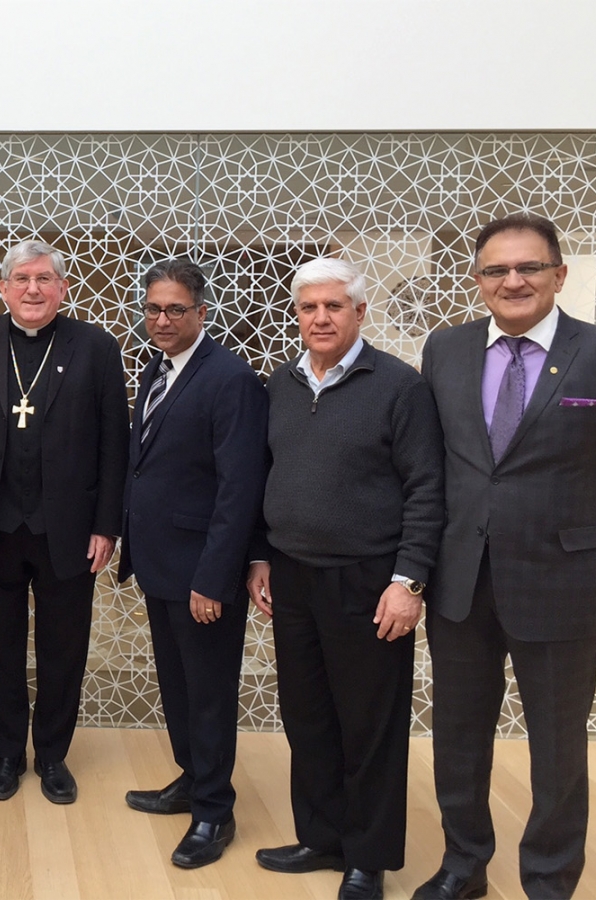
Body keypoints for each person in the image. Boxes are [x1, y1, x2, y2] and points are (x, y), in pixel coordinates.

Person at [247, 258, 443, 900]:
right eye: (309, 307)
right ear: (296, 315)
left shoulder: (398, 386)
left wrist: (409, 581)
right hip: (294, 576)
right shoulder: (280, 383)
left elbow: (426, 489)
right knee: (309, 719)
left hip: (369, 581)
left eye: (335, 306)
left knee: (369, 725)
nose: (321, 317)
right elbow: (262, 477)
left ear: (360, 312)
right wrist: (259, 557)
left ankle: (368, 857)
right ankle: (322, 837)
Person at [414, 213, 596, 900]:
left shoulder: (592, 353)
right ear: (477, 279)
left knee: (556, 748)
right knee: (458, 736)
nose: (512, 280)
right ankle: (465, 864)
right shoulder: (446, 350)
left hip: (564, 581)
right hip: (461, 578)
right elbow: (434, 466)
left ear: (559, 273)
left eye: (528, 267)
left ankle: (549, 880)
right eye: (496, 270)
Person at [0, 239, 128, 804]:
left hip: (68, 528)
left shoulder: (95, 346)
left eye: (45, 279)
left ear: (63, 288)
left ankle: (51, 754)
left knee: (63, 646)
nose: (33, 289)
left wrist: (106, 525)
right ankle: (5, 752)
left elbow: (114, 445)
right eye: (21, 279)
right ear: (3, 287)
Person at [118, 260, 268, 868]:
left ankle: (214, 811)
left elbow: (240, 488)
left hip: (202, 571)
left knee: (207, 693)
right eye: (153, 309)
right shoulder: (157, 370)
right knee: (177, 686)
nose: (161, 320)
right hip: (161, 562)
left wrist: (214, 577)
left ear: (202, 313)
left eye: (175, 309)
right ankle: (191, 777)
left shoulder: (230, 378)